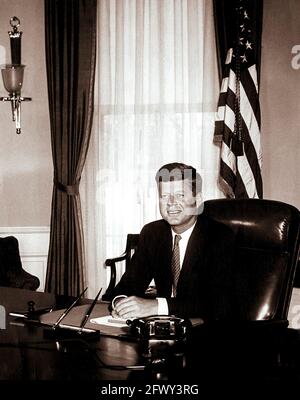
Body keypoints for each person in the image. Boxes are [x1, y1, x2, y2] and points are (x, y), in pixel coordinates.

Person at [109, 162, 235, 321]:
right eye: (164, 196)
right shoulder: (152, 233)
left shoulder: (220, 237)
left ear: (198, 199)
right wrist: (121, 303)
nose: (170, 202)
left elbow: (217, 304)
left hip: (206, 333)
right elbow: (128, 285)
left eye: (180, 195)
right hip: (163, 330)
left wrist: (157, 306)